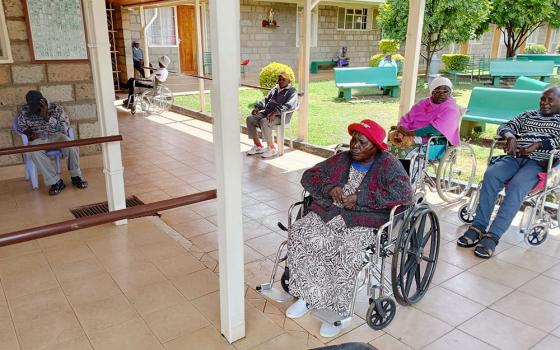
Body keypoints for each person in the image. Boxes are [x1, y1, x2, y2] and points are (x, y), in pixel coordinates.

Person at [284, 120, 414, 338]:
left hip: (366, 220)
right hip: (332, 212)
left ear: (375, 146)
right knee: (300, 234)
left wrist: (362, 198)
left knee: (346, 252)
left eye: (362, 142)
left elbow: (404, 195)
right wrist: (330, 187)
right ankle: (308, 296)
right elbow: (309, 175)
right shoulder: (342, 158)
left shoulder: (388, 164)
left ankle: (338, 313)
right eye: (353, 139)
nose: (354, 145)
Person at [457, 87, 560, 258]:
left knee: (517, 186)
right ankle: (478, 226)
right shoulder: (528, 115)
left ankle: (493, 235)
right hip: (514, 156)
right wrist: (510, 137)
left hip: (537, 163)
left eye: (550, 100)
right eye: (542, 99)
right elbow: (505, 126)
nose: (544, 103)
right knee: (491, 174)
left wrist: (537, 145)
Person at [16, 91, 88, 195]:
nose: (35, 111)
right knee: (33, 152)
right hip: (38, 139)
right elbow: (21, 126)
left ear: (43, 102)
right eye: (33, 107)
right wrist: (28, 132)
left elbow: (64, 128)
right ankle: (56, 182)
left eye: (37, 107)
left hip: (57, 135)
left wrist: (47, 117)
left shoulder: (56, 109)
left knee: (71, 145)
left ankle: (76, 176)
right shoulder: (25, 111)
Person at [388, 76, 461, 162]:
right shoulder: (423, 103)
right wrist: (402, 127)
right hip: (410, 133)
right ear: (432, 92)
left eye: (445, 91)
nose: (442, 94)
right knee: (392, 141)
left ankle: (406, 173)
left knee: (405, 148)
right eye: (437, 91)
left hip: (433, 139)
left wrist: (413, 133)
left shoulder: (451, 108)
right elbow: (407, 118)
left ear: (450, 92)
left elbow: (436, 129)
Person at [246, 72, 298, 158]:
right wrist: (257, 108)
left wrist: (275, 112)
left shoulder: (292, 91)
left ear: (289, 81)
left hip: (280, 116)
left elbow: (289, 105)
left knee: (264, 121)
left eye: (283, 79)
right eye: (279, 79)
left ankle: (271, 148)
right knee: (250, 119)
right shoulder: (275, 89)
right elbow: (266, 100)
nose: (280, 81)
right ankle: (258, 146)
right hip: (267, 113)